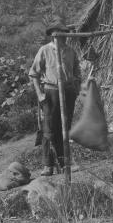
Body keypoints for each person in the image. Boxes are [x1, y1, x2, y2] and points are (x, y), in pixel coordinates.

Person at [29, 18, 82, 176]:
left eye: (65, 34)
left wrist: (76, 89)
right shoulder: (44, 50)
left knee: (64, 128)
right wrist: (39, 94)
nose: (63, 37)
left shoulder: (70, 51)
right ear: (53, 36)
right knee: (49, 129)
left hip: (68, 91)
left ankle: (64, 163)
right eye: (60, 35)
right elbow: (34, 74)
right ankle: (48, 165)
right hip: (51, 92)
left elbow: (77, 72)